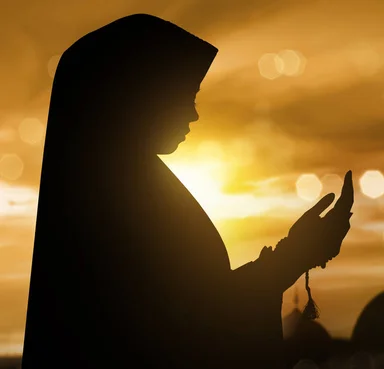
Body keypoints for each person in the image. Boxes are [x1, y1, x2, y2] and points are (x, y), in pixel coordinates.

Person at [21, 14, 354, 369]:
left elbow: (198, 308)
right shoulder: (114, 205)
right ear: (138, 98)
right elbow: (184, 331)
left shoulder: (133, 186)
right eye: (185, 96)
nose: (194, 115)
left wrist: (292, 255)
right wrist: (292, 256)